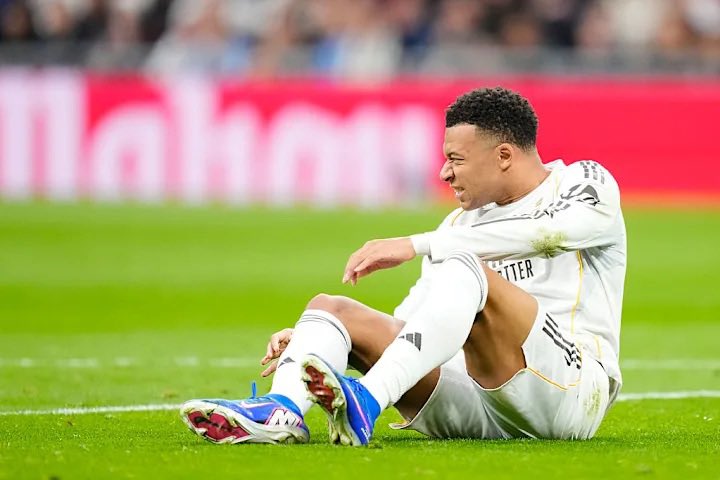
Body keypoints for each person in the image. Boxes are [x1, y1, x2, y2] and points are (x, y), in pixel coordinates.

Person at [180, 86, 627, 445]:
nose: (444, 174)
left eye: (456, 159)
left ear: (504, 156)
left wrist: (415, 245)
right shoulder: (459, 226)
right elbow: (417, 328)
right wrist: (323, 342)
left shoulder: (583, 183)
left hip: (569, 395)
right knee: (332, 310)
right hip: (479, 403)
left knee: (464, 266)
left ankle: (367, 401)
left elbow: (552, 233)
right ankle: (282, 412)